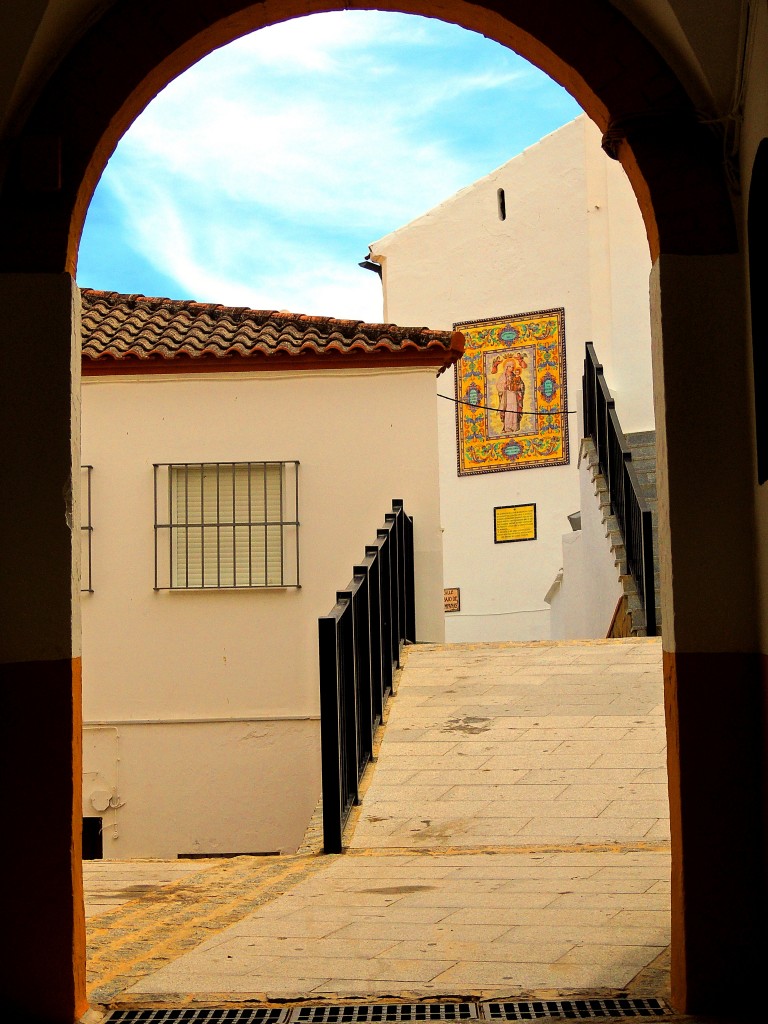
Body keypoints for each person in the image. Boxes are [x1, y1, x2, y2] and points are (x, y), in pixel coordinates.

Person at [497, 359, 525, 432]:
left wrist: (519, 387)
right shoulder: (503, 376)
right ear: (507, 367)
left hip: (514, 395)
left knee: (514, 409)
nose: (512, 368)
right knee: (508, 410)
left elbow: (521, 384)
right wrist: (504, 385)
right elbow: (498, 386)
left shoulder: (515, 375)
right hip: (507, 396)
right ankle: (507, 427)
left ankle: (514, 427)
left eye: (513, 367)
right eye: (511, 367)